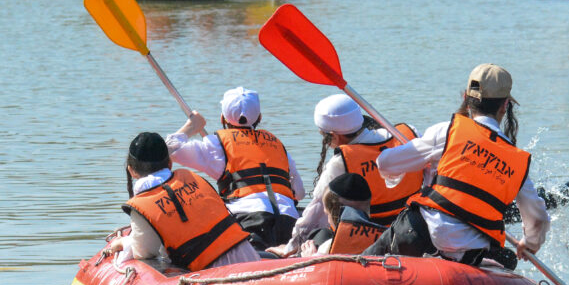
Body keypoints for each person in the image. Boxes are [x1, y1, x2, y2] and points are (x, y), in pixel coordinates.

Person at [362, 64, 548, 269]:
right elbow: (538, 220)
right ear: (505, 105)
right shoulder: (516, 160)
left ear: (465, 99)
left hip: (418, 236)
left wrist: (423, 161)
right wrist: (529, 243)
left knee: (362, 264)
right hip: (469, 254)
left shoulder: (446, 131)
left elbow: (385, 164)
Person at [268, 94, 422, 257]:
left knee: (319, 235)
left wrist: (290, 248)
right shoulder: (408, 134)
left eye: (324, 137)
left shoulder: (340, 162)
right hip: (414, 232)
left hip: (372, 241)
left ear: (334, 135)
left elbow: (316, 209)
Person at [166, 87, 305, 251]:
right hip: (288, 222)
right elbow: (299, 193)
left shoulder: (216, 144)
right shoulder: (277, 145)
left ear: (222, 117)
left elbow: (169, 149)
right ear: (259, 117)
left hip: (247, 222)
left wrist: (193, 126)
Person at [103, 132, 262, 270]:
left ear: (131, 170)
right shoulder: (192, 178)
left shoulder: (143, 206)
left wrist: (124, 242)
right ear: (170, 163)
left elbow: (144, 252)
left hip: (215, 272)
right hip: (249, 255)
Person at [299, 173, 385, 257]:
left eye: (327, 214)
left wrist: (310, 257)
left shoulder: (324, 244)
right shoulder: (385, 240)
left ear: (335, 216)